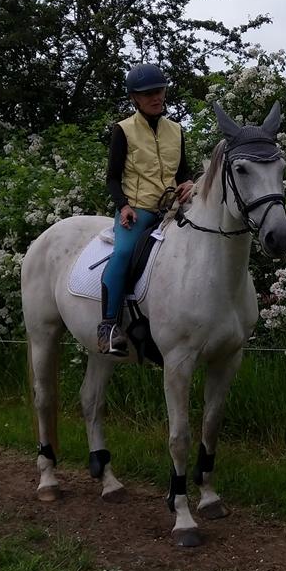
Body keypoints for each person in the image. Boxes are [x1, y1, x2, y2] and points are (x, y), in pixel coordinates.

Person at [98, 63, 194, 355]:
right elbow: (113, 177)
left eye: (160, 91)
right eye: (148, 93)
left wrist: (189, 184)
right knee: (124, 253)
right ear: (134, 98)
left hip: (170, 210)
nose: (156, 97)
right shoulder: (123, 130)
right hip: (137, 212)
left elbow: (184, 172)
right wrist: (123, 206)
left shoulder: (176, 130)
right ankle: (108, 326)